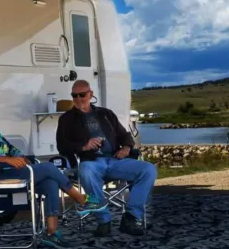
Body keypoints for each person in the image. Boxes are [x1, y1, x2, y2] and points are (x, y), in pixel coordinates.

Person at [0, 91, 106, 248]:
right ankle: (82, 200)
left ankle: (51, 233)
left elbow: (10, 148)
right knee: (49, 168)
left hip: (12, 171)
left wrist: (21, 156)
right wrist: (6, 159)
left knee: (50, 182)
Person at [56, 80, 157, 237]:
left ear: (91, 94)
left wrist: (126, 148)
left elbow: (125, 135)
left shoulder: (106, 114)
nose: (78, 99)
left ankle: (131, 217)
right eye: (74, 95)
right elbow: (62, 146)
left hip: (115, 160)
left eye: (82, 94)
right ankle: (104, 220)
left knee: (148, 169)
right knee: (87, 171)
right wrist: (84, 146)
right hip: (90, 163)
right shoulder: (67, 119)